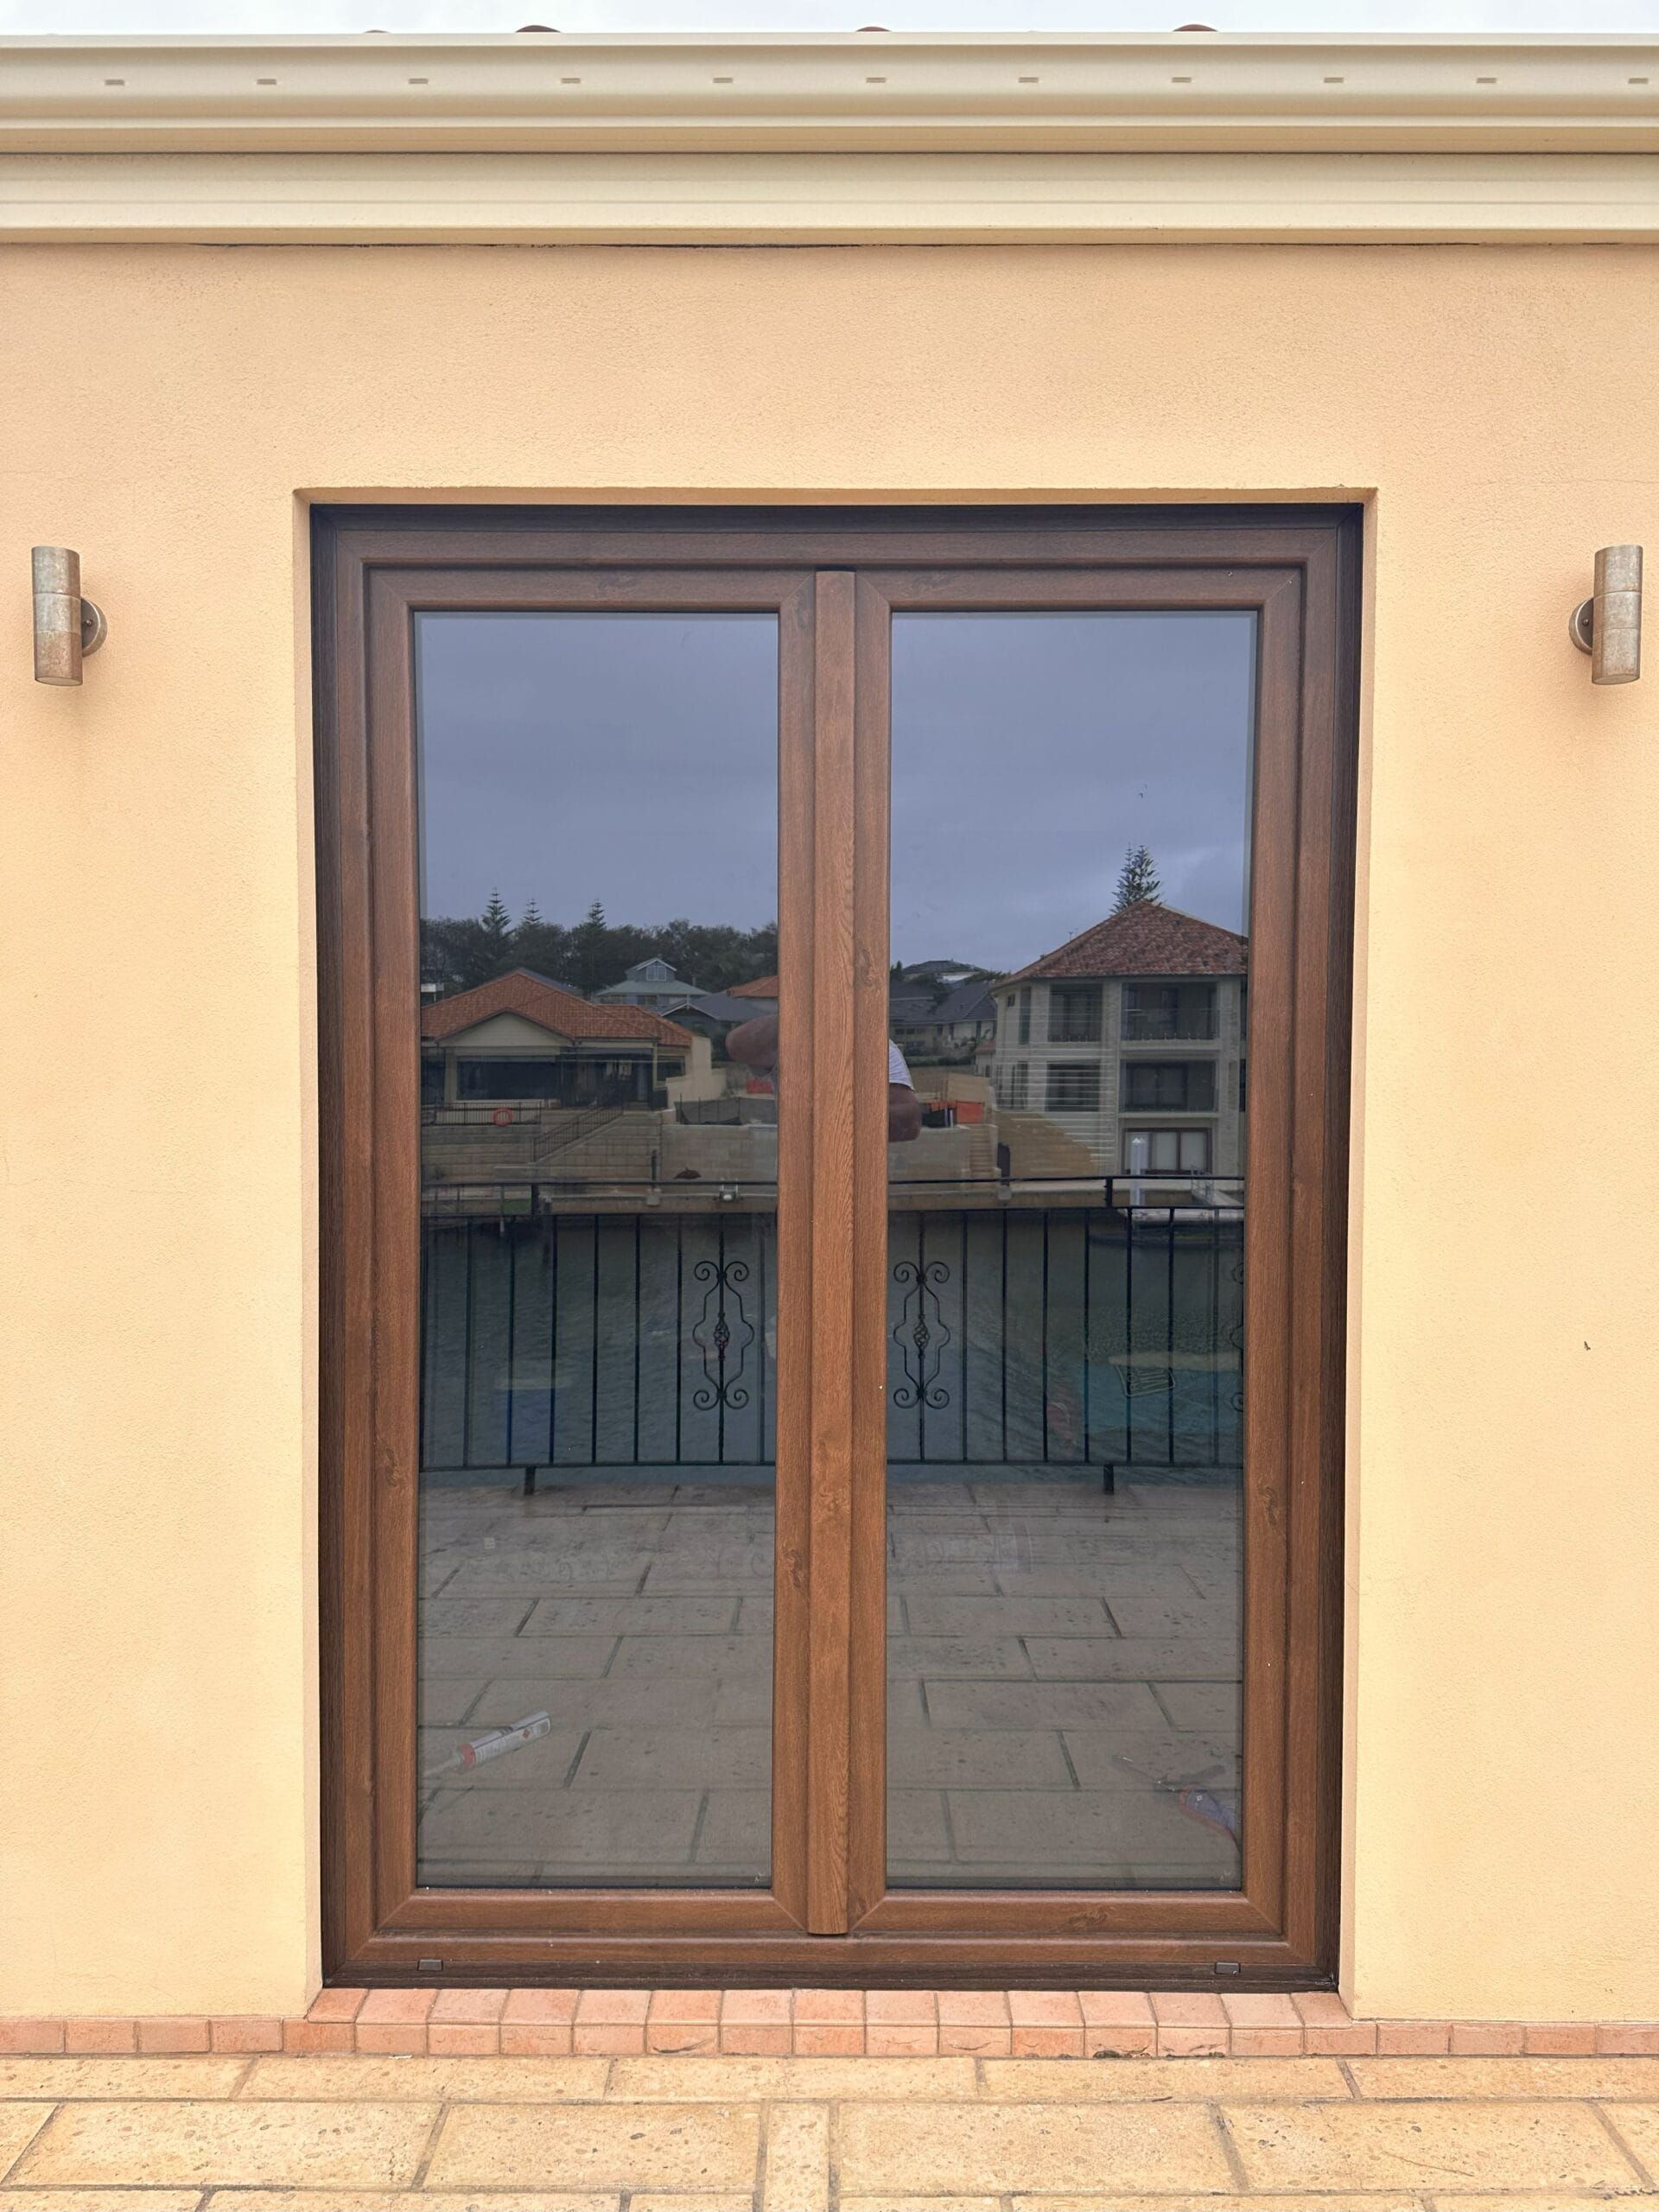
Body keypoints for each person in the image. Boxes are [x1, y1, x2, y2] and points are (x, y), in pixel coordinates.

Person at [725, 1013, 922, 1142]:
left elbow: (908, 1123)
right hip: (796, 1190)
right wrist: (799, 1008)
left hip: (859, 1192)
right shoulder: (790, 1043)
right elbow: (737, 1045)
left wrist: (831, 1118)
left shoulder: (876, 1045)